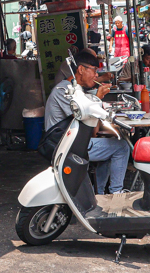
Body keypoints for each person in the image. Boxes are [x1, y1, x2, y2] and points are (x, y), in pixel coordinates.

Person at [45, 49, 129, 194]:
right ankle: (116, 193)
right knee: (122, 147)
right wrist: (97, 98)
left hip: (73, 141)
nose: (97, 75)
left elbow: (92, 129)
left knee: (111, 144)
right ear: (81, 69)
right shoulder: (64, 91)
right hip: (63, 145)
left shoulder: (76, 89)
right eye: (95, 70)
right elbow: (82, 118)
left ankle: (100, 193)